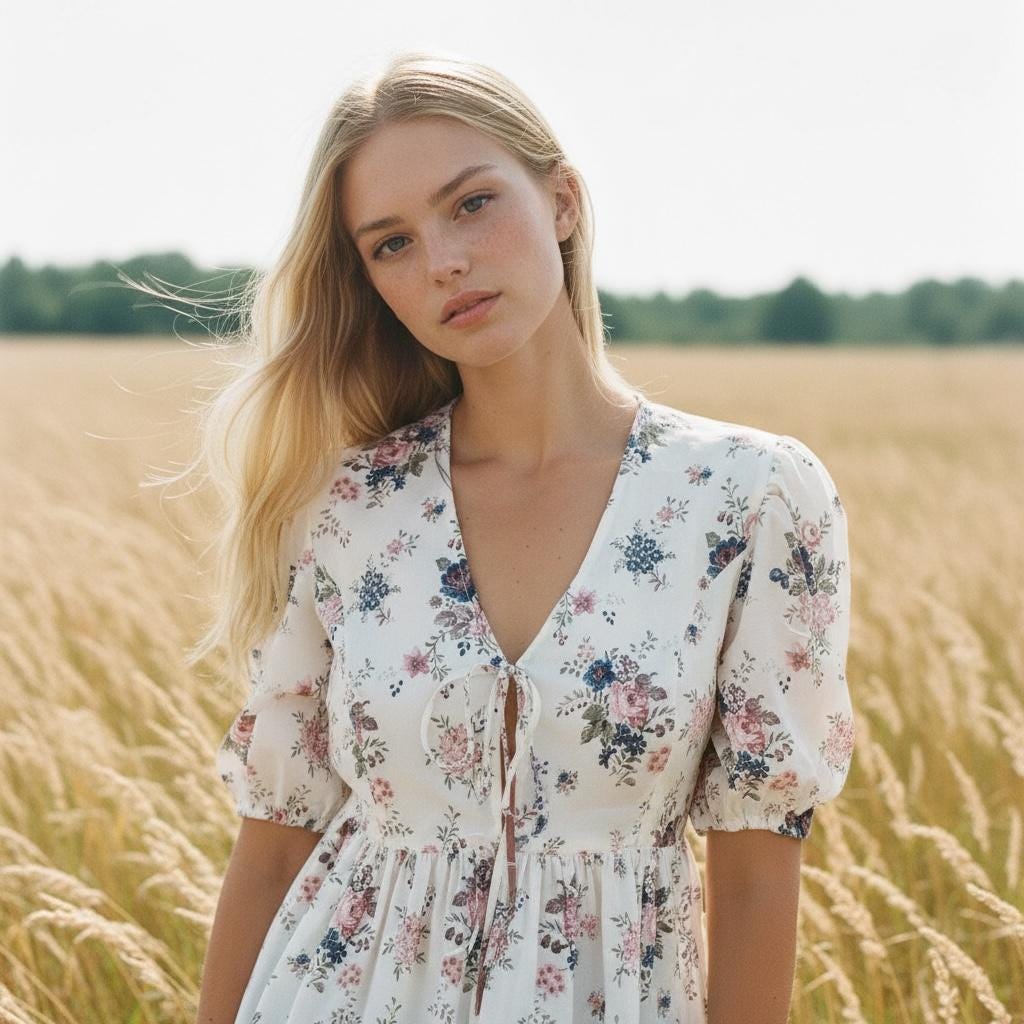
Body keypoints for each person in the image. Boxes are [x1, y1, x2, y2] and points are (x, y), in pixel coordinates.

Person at [193, 50, 855, 1024]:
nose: (443, 261)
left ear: (562, 201)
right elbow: (275, 843)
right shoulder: (347, 506)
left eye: (470, 204)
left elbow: (757, 874)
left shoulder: (748, 498)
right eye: (391, 244)